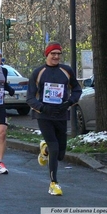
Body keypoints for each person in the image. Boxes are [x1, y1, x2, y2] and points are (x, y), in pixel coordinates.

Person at [26, 41, 82, 196]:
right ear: (47, 55)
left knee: (61, 154)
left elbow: (77, 89)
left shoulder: (66, 71)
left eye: (58, 54)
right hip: (43, 114)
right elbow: (30, 98)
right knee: (54, 146)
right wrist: (43, 107)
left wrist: (69, 102)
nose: (56, 56)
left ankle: (44, 150)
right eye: (53, 54)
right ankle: (54, 184)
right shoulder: (39, 72)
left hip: (61, 114)